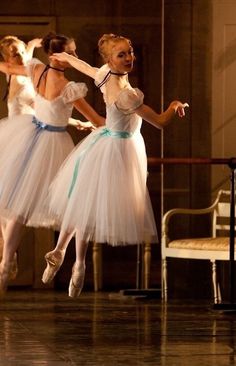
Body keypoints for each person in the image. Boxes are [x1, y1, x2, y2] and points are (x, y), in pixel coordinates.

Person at [42, 33, 189, 298]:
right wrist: (174, 105)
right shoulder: (126, 96)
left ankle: (66, 254)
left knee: (83, 200)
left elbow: (86, 68)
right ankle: (75, 262)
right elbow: (160, 122)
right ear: (110, 59)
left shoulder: (106, 74)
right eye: (121, 55)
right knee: (85, 202)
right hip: (118, 149)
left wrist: (66, 58)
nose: (129, 57)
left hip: (105, 141)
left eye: (130, 52)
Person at [0, 32, 105, 295]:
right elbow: (96, 119)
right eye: (71, 53)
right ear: (57, 55)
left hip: (33, 134)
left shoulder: (35, 69)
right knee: (72, 200)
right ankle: (71, 263)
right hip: (53, 143)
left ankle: (6, 263)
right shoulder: (68, 86)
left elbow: (10, 69)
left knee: (20, 205)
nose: (76, 57)